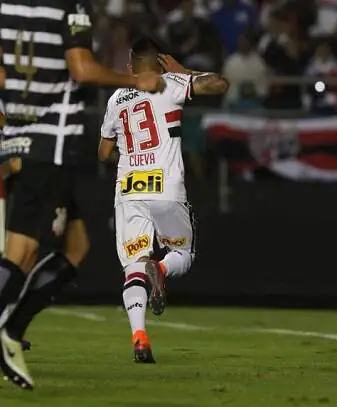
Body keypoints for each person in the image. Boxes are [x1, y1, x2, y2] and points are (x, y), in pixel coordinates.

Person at [0, 0, 165, 390]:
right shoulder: (69, 6)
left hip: (18, 140)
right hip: (50, 145)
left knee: (76, 245)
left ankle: (10, 331)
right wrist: (135, 81)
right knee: (20, 251)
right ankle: (8, 333)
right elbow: (81, 68)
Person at [98, 36, 228, 363]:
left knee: (133, 266)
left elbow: (102, 152)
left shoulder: (116, 98)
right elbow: (220, 84)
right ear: (158, 62)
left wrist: (129, 156)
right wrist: (186, 71)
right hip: (167, 186)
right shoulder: (170, 83)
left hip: (129, 188)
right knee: (183, 251)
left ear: (132, 66)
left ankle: (139, 336)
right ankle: (162, 268)